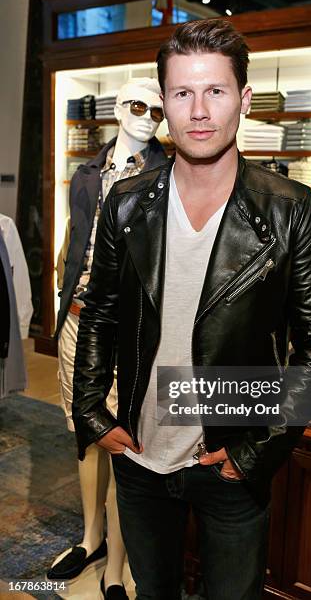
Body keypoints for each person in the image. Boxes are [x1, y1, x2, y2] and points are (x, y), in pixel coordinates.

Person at [72, 19, 311, 600]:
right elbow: (98, 311)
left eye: (215, 91)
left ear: (243, 99)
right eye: (182, 93)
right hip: (141, 454)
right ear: (164, 104)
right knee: (155, 589)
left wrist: (256, 451)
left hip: (230, 455)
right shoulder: (126, 203)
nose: (199, 110)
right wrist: (92, 408)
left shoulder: (290, 210)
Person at [48, 78, 167, 599]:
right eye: (139, 106)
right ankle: (91, 539)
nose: (149, 117)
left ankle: (118, 566)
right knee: (84, 428)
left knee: (123, 438)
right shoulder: (87, 172)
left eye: (158, 111)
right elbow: (76, 238)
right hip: (77, 317)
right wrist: (62, 285)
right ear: (118, 109)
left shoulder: (169, 174)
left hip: (130, 328)